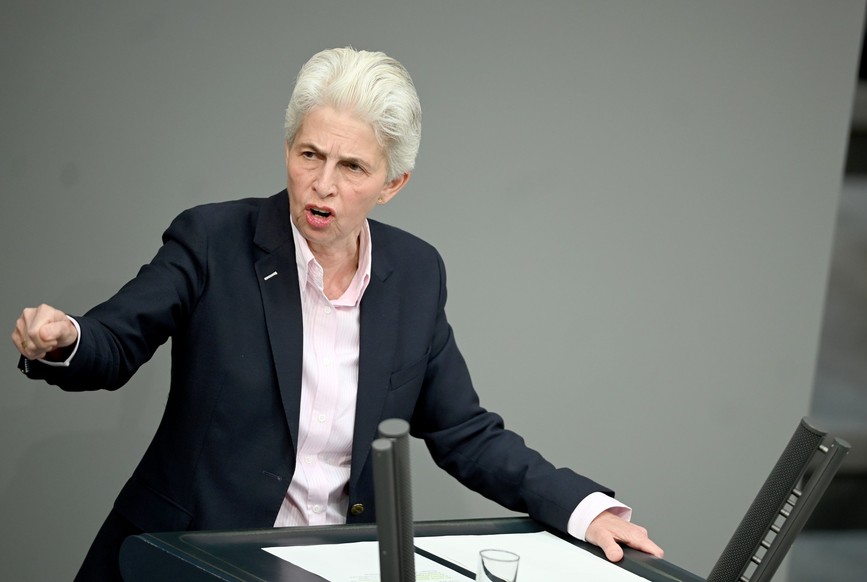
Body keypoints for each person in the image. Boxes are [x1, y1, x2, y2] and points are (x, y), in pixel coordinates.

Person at [12, 47, 663, 580]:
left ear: (392, 184)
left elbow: (465, 432)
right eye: (309, 155)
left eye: (352, 166)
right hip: (188, 559)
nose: (323, 183)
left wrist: (582, 510)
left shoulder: (414, 273)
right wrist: (67, 337)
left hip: (327, 570)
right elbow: (115, 337)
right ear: (288, 149)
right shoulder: (212, 240)